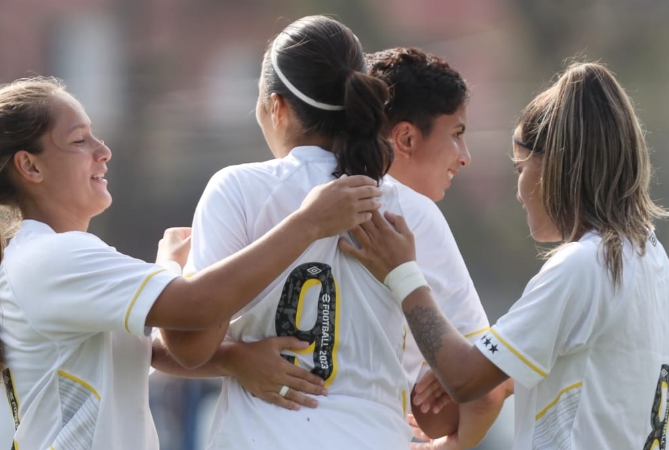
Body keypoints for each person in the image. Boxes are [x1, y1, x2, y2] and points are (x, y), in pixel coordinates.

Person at [0, 76, 382, 450]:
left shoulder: (52, 256)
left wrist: (234, 359)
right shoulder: (54, 258)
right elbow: (198, 305)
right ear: (30, 166)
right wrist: (308, 223)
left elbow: (148, 349)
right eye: (80, 140)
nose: (103, 151)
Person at [160, 17, 502, 449]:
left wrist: (171, 272)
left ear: (277, 107)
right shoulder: (413, 212)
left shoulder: (238, 189)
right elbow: (484, 389)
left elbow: (187, 347)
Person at [345, 61, 669, 449]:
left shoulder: (582, 266)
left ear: (554, 167)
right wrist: (491, 369)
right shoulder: (648, 255)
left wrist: (403, 273)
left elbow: (465, 380)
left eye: (520, 168)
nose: (518, 189)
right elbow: (584, 368)